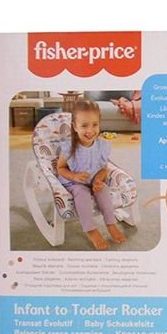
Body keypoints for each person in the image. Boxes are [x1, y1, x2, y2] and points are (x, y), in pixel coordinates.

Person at [56, 100, 127, 249]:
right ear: (75, 127)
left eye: (95, 124)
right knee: (82, 193)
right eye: (84, 125)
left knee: (104, 190)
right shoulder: (69, 147)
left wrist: (98, 180)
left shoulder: (102, 146)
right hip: (74, 182)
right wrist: (74, 176)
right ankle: (90, 230)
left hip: (92, 180)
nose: (90, 130)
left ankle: (111, 224)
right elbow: (60, 168)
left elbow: (104, 168)